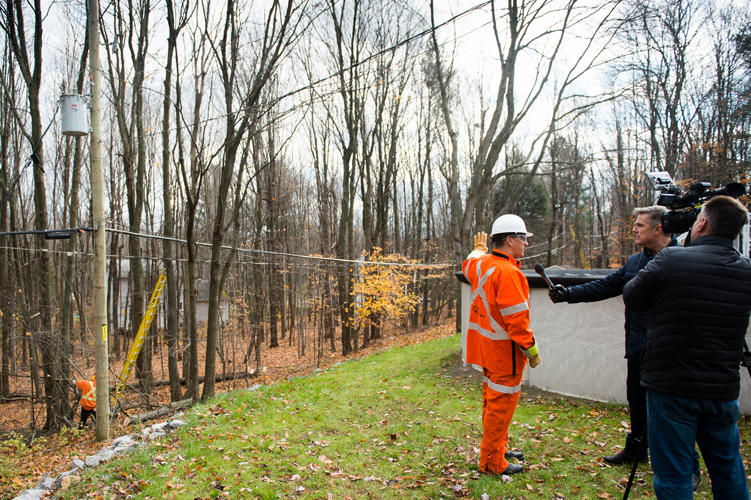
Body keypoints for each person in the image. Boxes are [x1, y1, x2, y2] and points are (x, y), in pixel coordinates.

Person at [623, 196, 751, 500]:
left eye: (695, 219)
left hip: (671, 386)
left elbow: (633, 295)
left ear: (703, 223)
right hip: (721, 388)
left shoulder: (672, 259)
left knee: (673, 475)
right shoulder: (746, 269)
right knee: (729, 471)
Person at [548, 206, 680, 465]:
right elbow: (606, 285)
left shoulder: (684, 259)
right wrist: (569, 294)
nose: (634, 229)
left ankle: (688, 464)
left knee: (673, 408)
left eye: (640, 225)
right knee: (637, 400)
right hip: (638, 346)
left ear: (658, 228)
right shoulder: (635, 262)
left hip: (671, 350)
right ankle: (636, 451)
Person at [462, 214, 542, 476]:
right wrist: (532, 350)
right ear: (509, 240)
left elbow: (468, 264)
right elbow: (517, 322)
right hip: (505, 357)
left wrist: (478, 250)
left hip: (487, 352)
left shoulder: (483, 264)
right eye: (523, 238)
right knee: (500, 408)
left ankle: (499, 447)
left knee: (493, 404)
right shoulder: (509, 273)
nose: (526, 244)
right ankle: (492, 463)